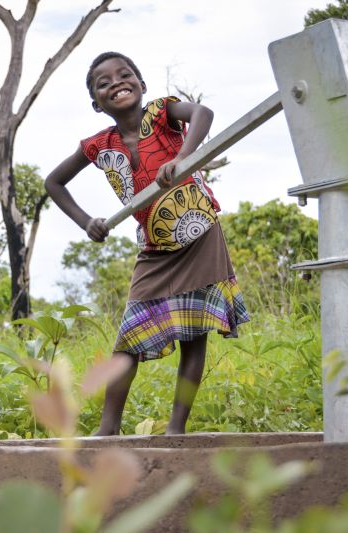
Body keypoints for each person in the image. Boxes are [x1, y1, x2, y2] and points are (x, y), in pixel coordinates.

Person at [45, 51, 249, 435]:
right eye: (104, 83)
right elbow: (53, 183)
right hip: (154, 248)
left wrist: (183, 157)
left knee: (194, 334)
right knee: (129, 338)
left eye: (125, 75)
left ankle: (176, 429)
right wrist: (86, 221)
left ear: (141, 84)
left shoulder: (162, 113)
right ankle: (108, 429)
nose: (116, 83)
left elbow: (202, 113)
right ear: (96, 103)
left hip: (200, 233)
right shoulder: (99, 145)